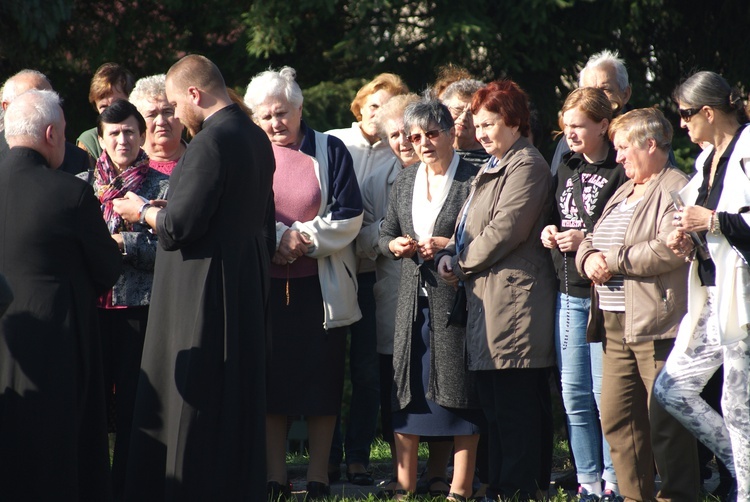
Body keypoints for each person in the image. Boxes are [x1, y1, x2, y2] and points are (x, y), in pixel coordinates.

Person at [113, 54, 275, 501]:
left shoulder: (210, 142)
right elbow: (250, 216)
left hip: (201, 289)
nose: (173, 115)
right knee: (233, 398)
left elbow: (178, 228)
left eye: (173, 103)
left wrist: (141, 211)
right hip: (241, 282)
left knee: (195, 402)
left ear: (194, 94)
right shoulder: (256, 138)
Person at [244, 66, 363, 500]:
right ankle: (275, 477)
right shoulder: (251, 153)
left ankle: (318, 477)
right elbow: (243, 212)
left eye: (282, 113)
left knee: (322, 382)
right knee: (271, 383)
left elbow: (350, 214)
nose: (276, 123)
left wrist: (302, 239)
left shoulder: (330, 150)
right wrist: (276, 238)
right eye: (265, 116)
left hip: (321, 290)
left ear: (299, 108)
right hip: (265, 290)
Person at [436, 80, 556, 501]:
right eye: (478, 124)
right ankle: (500, 486)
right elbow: (467, 226)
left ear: (515, 121)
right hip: (485, 299)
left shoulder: (528, 166)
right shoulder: (492, 165)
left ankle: (519, 488)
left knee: (514, 406)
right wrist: (450, 251)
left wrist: (460, 262)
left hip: (515, 303)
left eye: (490, 124)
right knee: (493, 405)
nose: (481, 133)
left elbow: (506, 228)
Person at [0, 89, 122, 500]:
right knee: (57, 450)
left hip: (7, 341)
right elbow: (107, 267)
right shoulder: (69, 193)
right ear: (52, 133)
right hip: (58, 340)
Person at [576, 107, 700, 501]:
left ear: (650, 144)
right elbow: (592, 238)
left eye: (624, 147)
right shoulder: (625, 189)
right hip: (613, 323)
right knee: (618, 420)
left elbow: (668, 250)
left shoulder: (676, 187)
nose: (618, 157)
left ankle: (679, 495)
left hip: (657, 324)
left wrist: (609, 260)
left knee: (665, 425)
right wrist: (587, 257)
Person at [654, 71, 750, 501]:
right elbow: (700, 222)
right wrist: (688, 236)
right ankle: (741, 467)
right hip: (711, 292)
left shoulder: (747, 152)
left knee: (737, 404)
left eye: (687, 115)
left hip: (743, 295)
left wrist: (710, 222)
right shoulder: (706, 160)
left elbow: (733, 222)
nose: (684, 124)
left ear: (708, 112)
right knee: (672, 388)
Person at [379, 98, 481, 501]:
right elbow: (385, 231)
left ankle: (460, 486)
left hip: (456, 300)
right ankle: (404, 483)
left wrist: (448, 245)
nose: (422, 143)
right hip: (411, 302)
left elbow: (487, 233)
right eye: (415, 136)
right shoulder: (406, 179)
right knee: (408, 387)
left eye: (431, 134)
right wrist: (395, 245)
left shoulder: (473, 177)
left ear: (452, 133)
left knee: (458, 390)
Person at [78, 98, 169, 500]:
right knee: (92, 408)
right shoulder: (81, 186)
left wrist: (122, 243)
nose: (122, 139)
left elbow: (170, 250)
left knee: (136, 409)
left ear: (141, 134)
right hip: (91, 310)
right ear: (100, 138)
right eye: (113, 133)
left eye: (130, 131)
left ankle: (132, 489)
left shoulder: (161, 188)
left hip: (139, 310)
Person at [540, 87, 627, 500]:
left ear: (603, 125)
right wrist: (550, 231)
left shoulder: (621, 169)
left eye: (578, 126)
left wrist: (585, 239)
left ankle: (614, 480)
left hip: (607, 293)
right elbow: (554, 216)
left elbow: (630, 229)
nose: (569, 134)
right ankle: (587, 481)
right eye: (565, 126)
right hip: (568, 293)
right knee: (573, 393)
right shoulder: (567, 166)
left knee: (603, 394)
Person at [326, 72, 408, 485]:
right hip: (334, 267)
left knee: (368, 372)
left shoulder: (401, 153)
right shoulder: (334, 141)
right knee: (329, 369)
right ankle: (328, 457)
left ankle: (357, 454)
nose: (379, 114)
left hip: (375, 276)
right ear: (360, 107)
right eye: (373, 105)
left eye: (389, 106)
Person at [356, 92, 419, 494]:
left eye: (407, 133)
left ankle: (435, 471)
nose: (402, 143)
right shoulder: (375, 178)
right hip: (391, 292)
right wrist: (386, 238)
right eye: (393, 135)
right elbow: (358, 235)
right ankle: (402, 474)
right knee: (394, 386)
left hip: (439, 290)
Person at [550, 50, 632, 175]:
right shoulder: (570, 139)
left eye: (604, 89)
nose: (596, 98)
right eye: (589, 91)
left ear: (625, 94)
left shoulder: (642, 133)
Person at [0, 69, 90, 175]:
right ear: (7, 106)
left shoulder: (76, 158)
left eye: (50, 100)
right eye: (34, 100)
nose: (45, 107)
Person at [77, 62, 136, 163]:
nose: (111, 111)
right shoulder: (90, 142)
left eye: (117, 104)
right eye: (103, 107)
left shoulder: (146, 134)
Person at [128, 74, 186, 175]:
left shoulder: (201, 157)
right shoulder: (126, 166)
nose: (161, 121)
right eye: (152, 115)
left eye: (167, 112)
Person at [441, 78, 491, 168]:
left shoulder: (490, 159)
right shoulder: (433, 152)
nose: (463, 118)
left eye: (471, 113)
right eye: (457, 110)